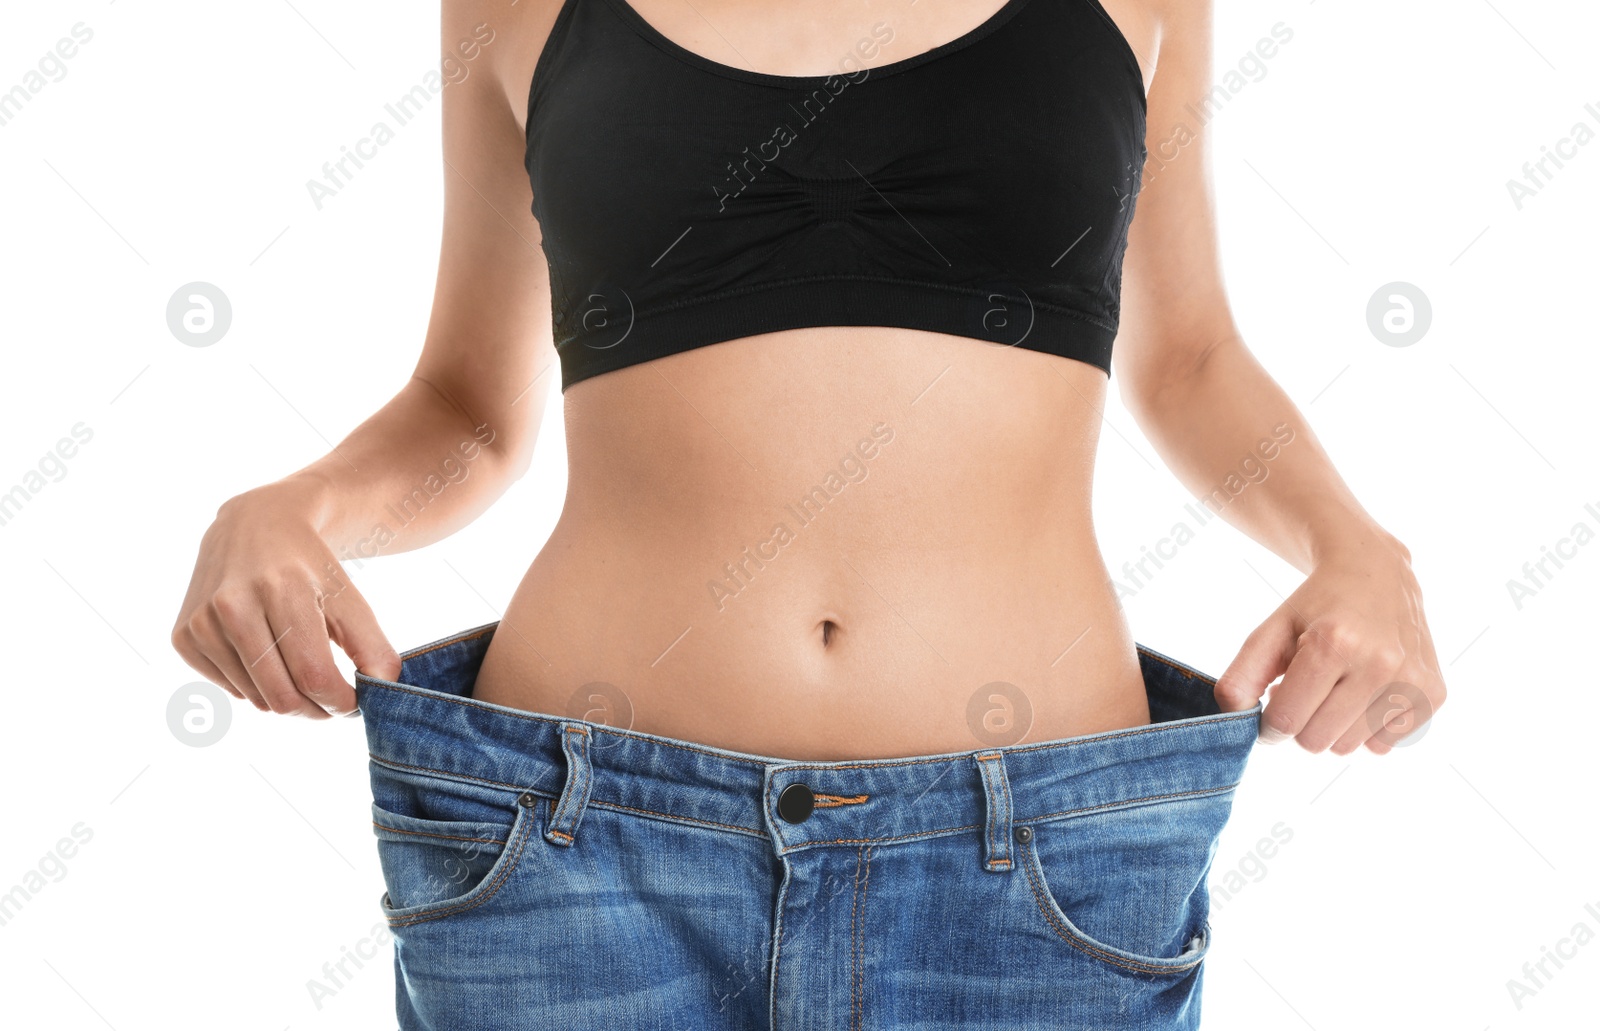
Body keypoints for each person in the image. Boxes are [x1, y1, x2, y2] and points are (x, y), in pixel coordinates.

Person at [171, 0, 1447, 1026]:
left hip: (1037, 871)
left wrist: (1354, 543)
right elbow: (466, 407)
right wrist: (292, 505)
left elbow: (1192, 361)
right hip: (580, 857)